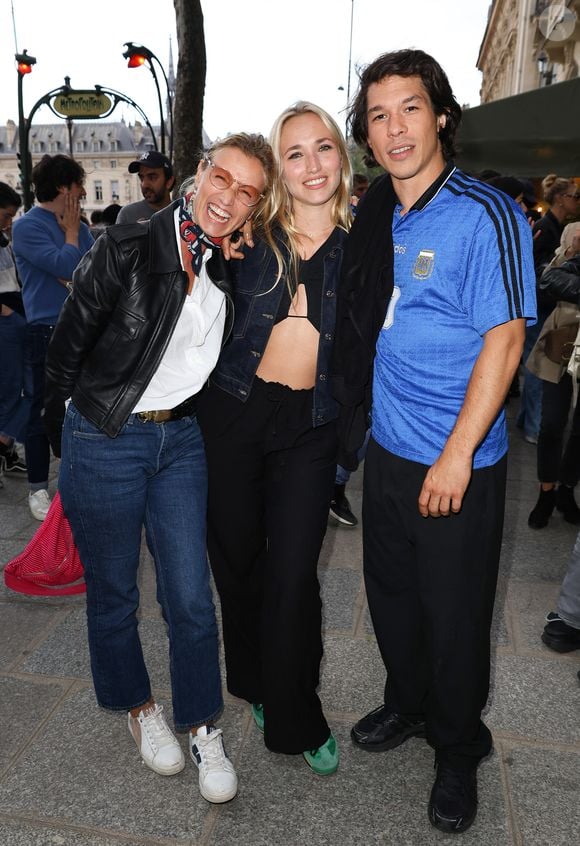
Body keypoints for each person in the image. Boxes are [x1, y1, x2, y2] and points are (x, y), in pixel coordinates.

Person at [332, 49, 535, 834]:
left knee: (454, 617)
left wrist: (456, 454)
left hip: (458, 460)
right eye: (378, 115)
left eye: (410, 108)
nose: (394, 127)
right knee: (393, 601)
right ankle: (408, 705)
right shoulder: (382, 208)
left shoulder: (484, 211)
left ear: (442, 114)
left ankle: (459, 746)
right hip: (388, 453)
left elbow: (507, 339)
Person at [43, 133, 274, 803]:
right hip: (106, 435)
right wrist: (70, 442)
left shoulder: (234, 261)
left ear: (255, 206)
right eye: (221, 179)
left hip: (182, 442)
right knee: (114, 592)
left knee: (190, 597)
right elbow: (66, 346)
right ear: (199, 175)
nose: (228, 198)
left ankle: (202, 724)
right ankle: (139, 708)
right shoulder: (130, 241)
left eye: (246, 192)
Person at [197, 102, 352, 777]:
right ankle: (255, 684)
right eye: (295, 153)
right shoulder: (249, 239)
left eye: (323, 148)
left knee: (293, 578)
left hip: (309, 428)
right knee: (236, 564)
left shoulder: (370, 241)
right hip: (231, 411)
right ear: (280, 169)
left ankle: (297, 715)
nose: (311, 164)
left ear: (342, 159)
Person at [12, 155, 93, 521]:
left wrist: (72, 270)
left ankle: (78, 482)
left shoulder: (81, 225)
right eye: (78, 184)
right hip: (45, 329)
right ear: (64, 187)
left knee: (84, 407)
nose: (83, 190)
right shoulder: (26, 227)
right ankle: (38, 489)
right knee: (43, 410)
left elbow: (92, 271)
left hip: (85, 327)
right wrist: (71, 236)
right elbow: (68, 266)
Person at [517, 175, 580, 444]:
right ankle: (533, 427)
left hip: (543, 305)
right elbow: (538, 271)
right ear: (560, 199)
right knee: (538, 368)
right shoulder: (547, 227)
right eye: (574, 196)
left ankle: (526, 421)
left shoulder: (556, 226)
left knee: (536, 365)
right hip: (539, 306)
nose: (577, 201)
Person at [527, 223, 580, 528]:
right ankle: (546, 491)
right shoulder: (572, 240)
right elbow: (548, 283)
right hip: (562, 339)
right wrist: (571, 250)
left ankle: (567, 489)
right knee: (551, 424)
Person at [0, 183, 28, 483]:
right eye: (6, 215)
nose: (9, 222)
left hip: (13, 313)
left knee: (17, 389)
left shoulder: (4, 239)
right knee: (17, 390)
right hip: (7, 317)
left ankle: (6, 449)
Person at [116, 151, 175, 224]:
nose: (144, 184)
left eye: (152, 177)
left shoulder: (182, 214)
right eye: (141, 178)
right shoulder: (127, 215)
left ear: (169, 182)